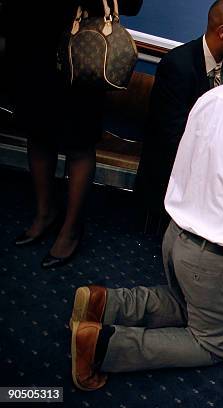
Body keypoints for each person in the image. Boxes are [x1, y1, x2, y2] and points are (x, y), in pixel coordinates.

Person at [69, 26, 223, 391]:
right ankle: (102, 345)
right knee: (214, 340)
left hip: (174, 237)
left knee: (184, 302)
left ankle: (102, 303)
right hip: (213, 259)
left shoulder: (213, 96)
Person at [8, 0, 143, 268]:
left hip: (82, 49)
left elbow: (132, 4)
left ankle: (71, 229)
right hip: (34, 42)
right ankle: (44, 213)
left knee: (79, 142)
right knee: (37, 133)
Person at [135, 0, 223, 229]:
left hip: (202, 160)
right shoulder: (178, 64)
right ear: (222, 32)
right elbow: (169, 132)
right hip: (170, 165)